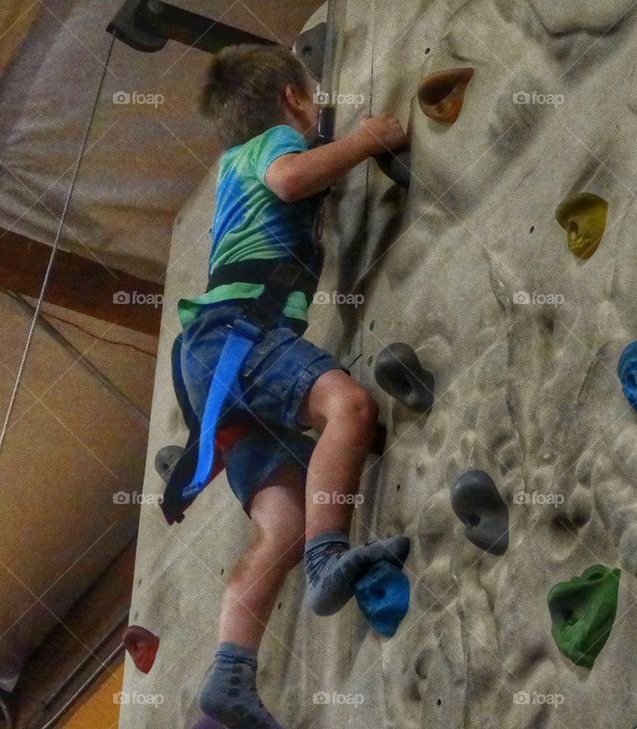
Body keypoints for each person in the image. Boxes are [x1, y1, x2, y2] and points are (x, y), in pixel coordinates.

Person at [176, 44, 410, 729]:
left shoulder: (227, 169)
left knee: (278, 523)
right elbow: (291, 179)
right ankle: (329, 554)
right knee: (350, 405)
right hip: (240, 335)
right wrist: (364, 140)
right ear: (292, 100)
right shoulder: (272, 143)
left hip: (209, 367)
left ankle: (226, 680)